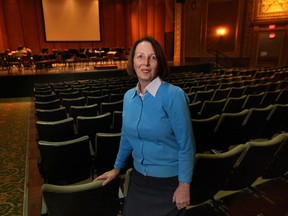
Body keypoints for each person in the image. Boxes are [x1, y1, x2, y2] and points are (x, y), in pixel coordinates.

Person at [95, 36, 195, 216]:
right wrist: (117, 168)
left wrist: (184, 185)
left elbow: (186, 145)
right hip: (139, 179)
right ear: (132, 62)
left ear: (159, 63)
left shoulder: (174, 95)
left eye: (153, 57)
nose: (146, 63)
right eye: (140, 57)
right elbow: (126, 136)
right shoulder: (128, 97)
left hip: (170, 182)